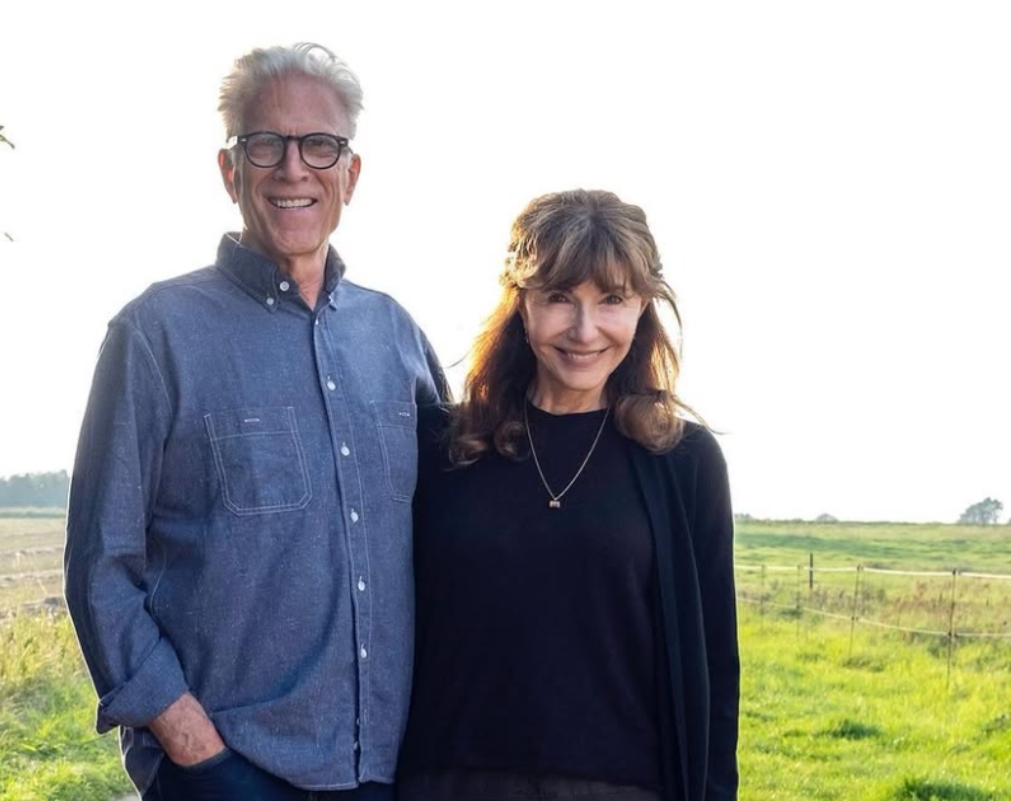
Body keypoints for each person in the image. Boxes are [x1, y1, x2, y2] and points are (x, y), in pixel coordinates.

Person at [63, 43, 447, 801]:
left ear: (351, 173)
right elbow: (100, 563)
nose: (293, 169)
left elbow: (465, 520)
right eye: (265, 143)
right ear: (230, 168)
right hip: (230, 772)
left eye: (320, 145)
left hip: (393, 770)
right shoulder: (155, 335)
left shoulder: (397, 337)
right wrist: (190, 743)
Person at [398, 189, 739, 801]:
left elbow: (715, 670)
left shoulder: (684, 462)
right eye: (559, 298)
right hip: (448, 783)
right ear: (520, 306)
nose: (585, 330)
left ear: (643, 310)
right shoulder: (439, 447)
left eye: (611, 299)